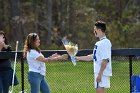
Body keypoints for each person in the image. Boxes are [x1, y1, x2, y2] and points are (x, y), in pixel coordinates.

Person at [76, 21, 112, 93]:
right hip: (99, 72)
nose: (94, 31)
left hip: (102, 73)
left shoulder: (105, 42)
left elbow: (105, 60)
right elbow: (93, 57)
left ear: (99, 30)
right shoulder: (99, 43)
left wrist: (100, 74)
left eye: (95, 29)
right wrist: (77, 58)